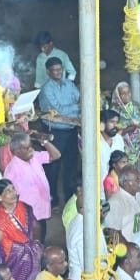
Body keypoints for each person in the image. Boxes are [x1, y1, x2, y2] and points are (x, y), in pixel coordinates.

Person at [39, 57, 80, 201]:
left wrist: (74, 107)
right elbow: (58, 110)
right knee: (53, 166)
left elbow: (79, 98)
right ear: (48, 72)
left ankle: (70, 198)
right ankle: (53, 198)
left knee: (71, 164)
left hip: (72, 129)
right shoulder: (46, 89)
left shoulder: (69, 84)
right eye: (54, 70)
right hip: (54, 132)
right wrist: (76, 107)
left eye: (60, 69)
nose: (58, 72)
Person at [3, 132, 61, 226]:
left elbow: (56, 155)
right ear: (17, 152)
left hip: (41, 207)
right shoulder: (12, 170)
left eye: (31, 146)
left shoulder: (34, 156)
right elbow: (6, 194)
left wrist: (44, 142)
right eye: (27, 148)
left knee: (42, 232)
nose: (31, 149)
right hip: (27, 213)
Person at [111, 80, 140, 177]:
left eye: (128, 92)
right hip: (122, 145)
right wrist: (131, 125)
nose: (127, 95)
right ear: (118, 95)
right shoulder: (114, 110)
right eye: (123, 93)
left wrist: (139, 125)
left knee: (137, 171)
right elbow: (114, 130)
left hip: (136, 146)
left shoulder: (135, 106)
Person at [104, 166, 140, 241]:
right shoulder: (115, 203)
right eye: (137, 179)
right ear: (125, 183)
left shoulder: (139, 195)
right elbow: (112, 233)